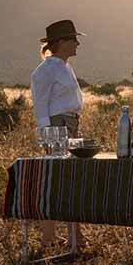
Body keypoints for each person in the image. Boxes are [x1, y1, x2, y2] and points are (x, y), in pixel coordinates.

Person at [30, 19, 86, 249]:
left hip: (69, 123)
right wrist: (48, 136)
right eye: (74, 39)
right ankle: (54, 237)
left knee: (67, 179)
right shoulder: (45, 70)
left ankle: (67, 236)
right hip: (57, 126)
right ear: (62, 42)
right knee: (59, 179)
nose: (77, 44)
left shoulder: (65, 67)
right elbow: (40, 105)